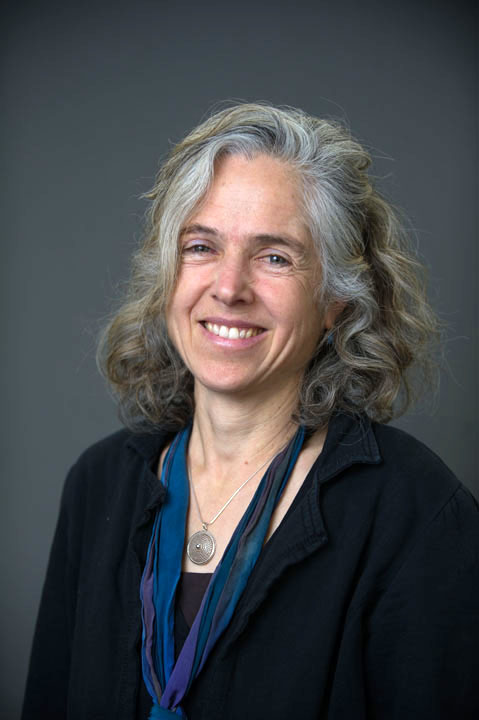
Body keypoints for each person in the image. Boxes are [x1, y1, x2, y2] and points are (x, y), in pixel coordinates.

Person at [22, 103, 479, 720]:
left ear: (336, 300)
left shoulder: (417, 514)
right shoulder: (98, 485)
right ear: (167, 276)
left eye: (274, 256)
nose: (229, 287)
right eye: (201, 246)